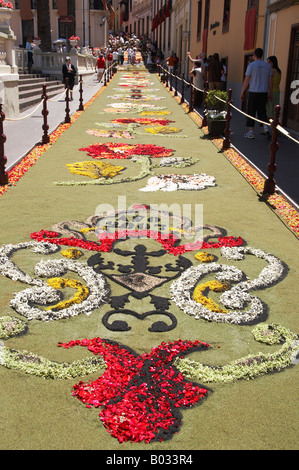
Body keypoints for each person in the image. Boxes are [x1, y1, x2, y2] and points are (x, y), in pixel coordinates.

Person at [241, 47, 273, 139]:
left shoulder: (251, 65)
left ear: (254, 55)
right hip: (263, 92)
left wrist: (242, 92)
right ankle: (266, 128)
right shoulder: (267, 66)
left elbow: (247, 80)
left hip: (253, 91)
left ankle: (251, 131)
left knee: (251, 111)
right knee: (262, 111)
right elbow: (270, 81)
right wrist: (270, 92)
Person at [266, 55, 281, 121]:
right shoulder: (279, 71)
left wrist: (270, 93)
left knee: (269, 110)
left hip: (271, 91)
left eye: (269, 62)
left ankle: (269, 127)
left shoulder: (272, 71)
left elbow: (270, 82)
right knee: (275, 110)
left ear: (273, 62)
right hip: (277, 91)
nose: (268, 63)